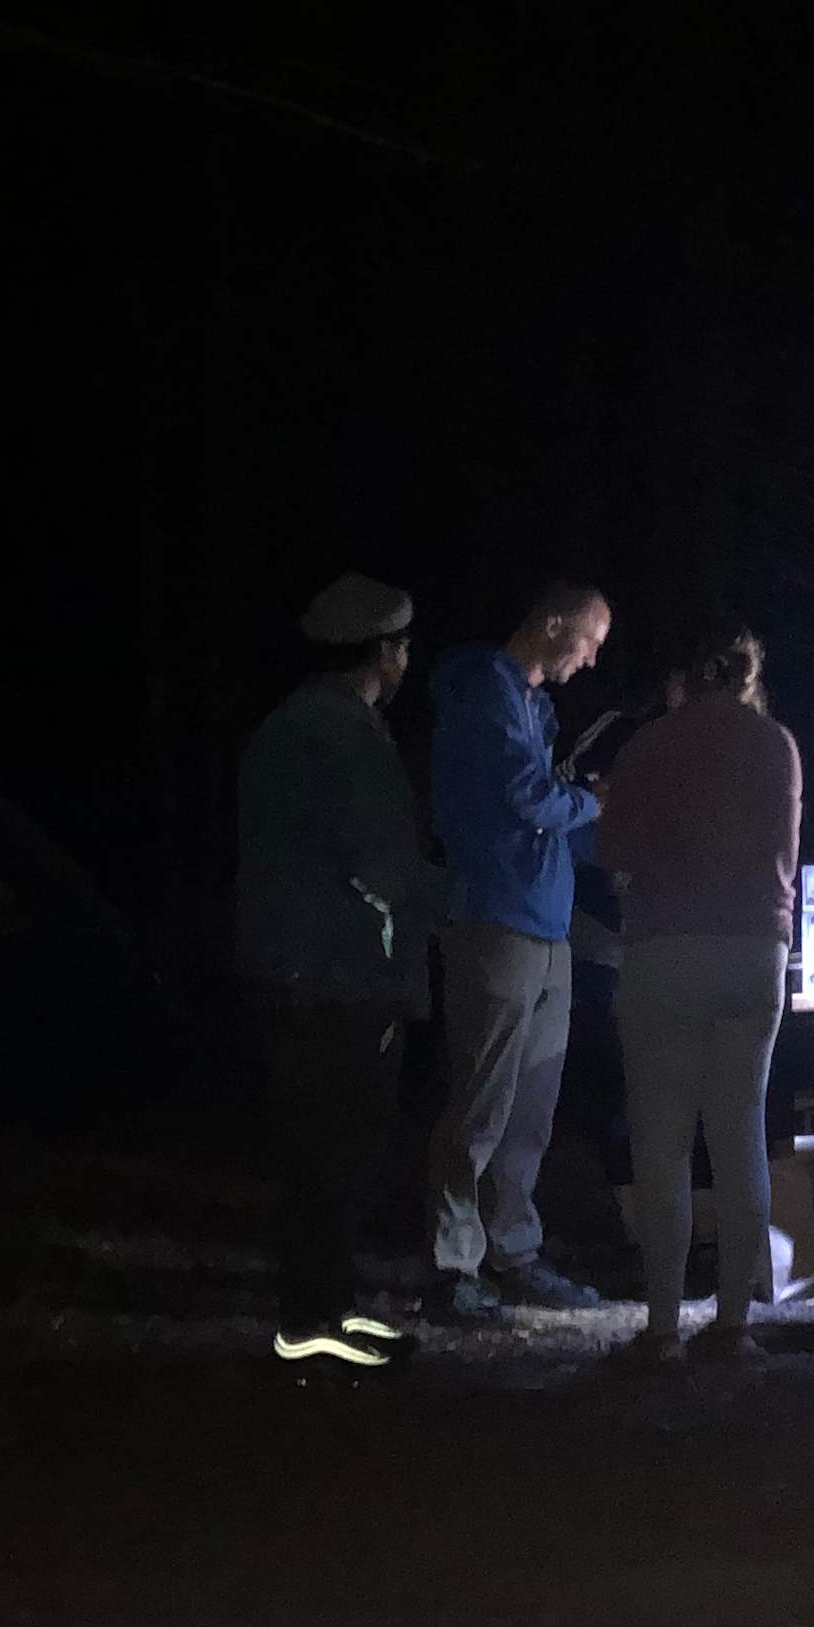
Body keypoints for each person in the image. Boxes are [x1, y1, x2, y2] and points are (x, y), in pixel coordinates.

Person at [233, 574, 439, 1366]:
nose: (406, 659)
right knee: (338, 1152)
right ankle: (311, 1324)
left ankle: (328, 1306)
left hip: (292, 972)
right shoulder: (345, 734)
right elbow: (381, 859)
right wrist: (446, 899)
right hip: (343, 976)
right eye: (402, 646)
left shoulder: (289, 725)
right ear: (383, 651)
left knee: (318, 1150)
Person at [596, 620, 802, 1366]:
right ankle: (733, 1322)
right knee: (740, 1134)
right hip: (755, 950)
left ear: (680, 677)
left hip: (666, 948)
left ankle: (661, 1327)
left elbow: (612, 850)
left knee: (662, 1143)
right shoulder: (777, 744)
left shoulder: (649, 744)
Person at [423, 577, 613, 1319]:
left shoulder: (533, 707)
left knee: (530, 1108)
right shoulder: (487, 692)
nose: (591, 660)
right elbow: (526, 797)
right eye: (590, 641)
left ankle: (514, 1251)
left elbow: (546, 811)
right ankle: (452, 1264)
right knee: (482, 1102)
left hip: (546, 926)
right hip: (495, 920)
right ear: (554, 622)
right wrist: (600, 801)